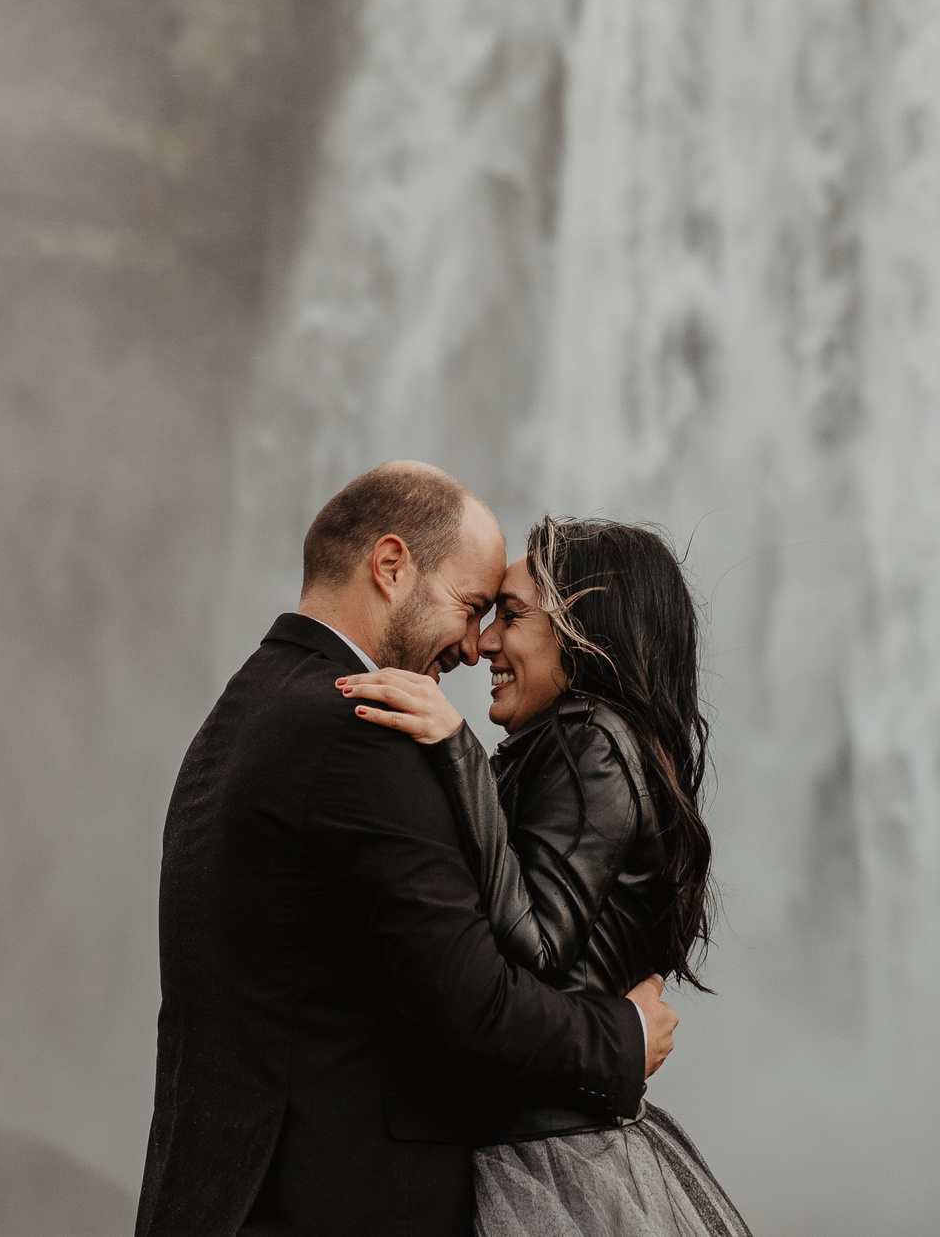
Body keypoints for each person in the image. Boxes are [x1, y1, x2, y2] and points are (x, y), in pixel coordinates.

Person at [136, 463, 680, 1237]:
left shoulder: (244, 710)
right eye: (469, 607)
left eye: (497, 616)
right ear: (391, 566)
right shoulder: (361, 732)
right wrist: (620, 1037)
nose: (470, 644)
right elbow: (470, 1001)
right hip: (336, 1205)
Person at [341, 516, 752, 1237]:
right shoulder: (581, 745)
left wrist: (457, 751)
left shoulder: (589, 740)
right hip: (557, 1149)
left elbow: (534, 945)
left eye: (512, 615)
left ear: (585, 631)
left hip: (541, 1161)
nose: (486, 643)